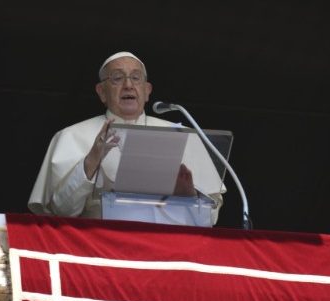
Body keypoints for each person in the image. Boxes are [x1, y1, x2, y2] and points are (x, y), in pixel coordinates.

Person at [28, 51, 223, 223]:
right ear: (102, 92)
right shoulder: (70, 135)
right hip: (98, 248)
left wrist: (189, 196)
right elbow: (58, 213)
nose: (128, 85)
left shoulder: (182, 135)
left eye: (136, 78)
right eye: (117, 78)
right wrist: (91, 162)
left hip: (166, 249)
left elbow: (211, 218)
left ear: (147, 91)